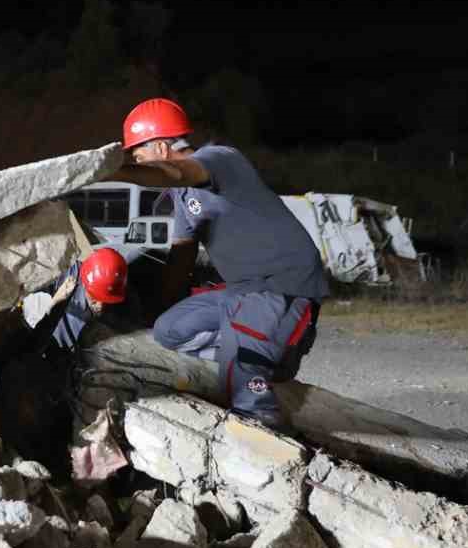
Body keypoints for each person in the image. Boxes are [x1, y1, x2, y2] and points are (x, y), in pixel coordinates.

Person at [109, 98, 326, 427]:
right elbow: (181, 256)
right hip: (240, 293)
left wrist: (111, 170)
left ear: (162, 147)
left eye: (138, 157)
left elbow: (176, 172)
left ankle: (261, 418)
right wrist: (156, 313)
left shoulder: (220, 159)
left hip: (281, 287)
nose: (136, 165)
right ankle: (242, 356)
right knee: (168, 332)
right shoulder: (182, 199)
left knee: (242, 387)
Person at [35, 247, 130, 354]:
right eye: (94, 298)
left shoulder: (123, 296)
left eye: (107, 301)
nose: (100, 306)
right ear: (84, 282)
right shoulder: (66, 275)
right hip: (57, 350)